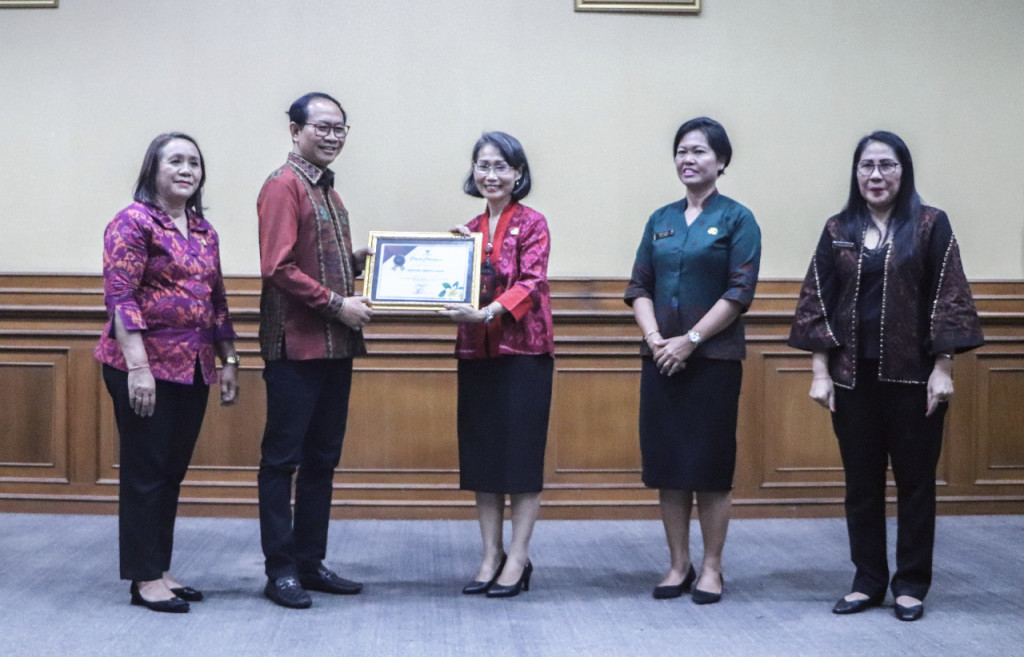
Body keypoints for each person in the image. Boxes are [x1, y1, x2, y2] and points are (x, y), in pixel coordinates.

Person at [789, 131, 983, 621]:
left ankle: (911, 584)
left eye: (886, 165)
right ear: (856, 173)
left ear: (903, 171)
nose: (876, 175)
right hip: (852, 379)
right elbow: (817, 300)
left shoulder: (929, 224)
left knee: (916, 482)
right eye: (867, 166)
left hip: (915, 378)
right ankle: (868, 581)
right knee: (861, 483)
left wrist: (944, 367)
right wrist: (819, 372)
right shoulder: (838, 228)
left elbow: (949, 294)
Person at [96, 132, 239, 613]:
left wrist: (230, 359)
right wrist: (138, 368)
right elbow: (121, 298)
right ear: (152, 170)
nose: (186, 170)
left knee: (171, 473)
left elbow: (216, 301)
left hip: (193, 368)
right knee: (145, 472)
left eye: (194, 163)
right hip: (143, 367)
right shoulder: (133, 223)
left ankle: (160, 567)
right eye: (175, 161)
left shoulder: (203, 231)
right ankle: (143, 578)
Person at [624, 117, 761, 605]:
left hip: (714, 362)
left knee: (709, 468)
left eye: (700, 151)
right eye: (682, 151)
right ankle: (678, 564)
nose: (689, 159)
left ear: (721, 161)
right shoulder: (660, 219)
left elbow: (739, 292)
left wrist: (692, 339)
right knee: (668, 466)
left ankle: (711, 567)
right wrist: (659, 338)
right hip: (660, 358)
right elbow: (638, 286)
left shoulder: (738, 219)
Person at [256, 92, 374, 609]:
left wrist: (359, 260)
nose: (332, 136)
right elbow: (277, 268)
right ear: (294, 130)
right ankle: (279, 570)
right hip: (295, 346)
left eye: (340, 128)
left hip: (334, 346)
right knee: (282, 461)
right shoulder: (284, 186)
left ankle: (310, 562)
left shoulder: (329, 192)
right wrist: (337, 304)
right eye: (322, 127)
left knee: (323, 459)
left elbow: (316, 262)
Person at [440, 132, 554, 598]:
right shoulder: (467, 230)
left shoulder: (533, 223)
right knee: (483, 459)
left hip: (524, 354)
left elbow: (532, 281)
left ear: (519, 174)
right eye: (483, 165)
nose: (491, 174)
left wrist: (487, 312)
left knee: (521, 461)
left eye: (501, 166)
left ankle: (519, 557)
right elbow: (452, 286)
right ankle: (490, 555)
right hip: (476, 354)